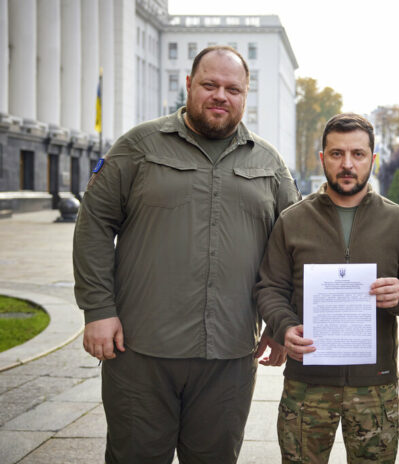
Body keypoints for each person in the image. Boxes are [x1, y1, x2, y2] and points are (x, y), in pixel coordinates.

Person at [73, 45, 300, 463]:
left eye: (233, 88)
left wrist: (281, 320)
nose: (220, 96)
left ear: (245, 94)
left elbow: (292, 248)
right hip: (141, 351)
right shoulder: (139, 147)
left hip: (230, 356)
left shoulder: (269, 164)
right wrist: (98, 309)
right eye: (210, 84)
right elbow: (94, 224)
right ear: (189, 85)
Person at [254, 113, 399, 463]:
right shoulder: (293, 221)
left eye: (358, 154)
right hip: (307, 384)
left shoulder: (398, 222)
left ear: (373, 158)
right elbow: (270, 287)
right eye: (337, 154)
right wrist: (284, 326)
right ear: (322, 158)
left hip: (375, 386)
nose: (347, 164)